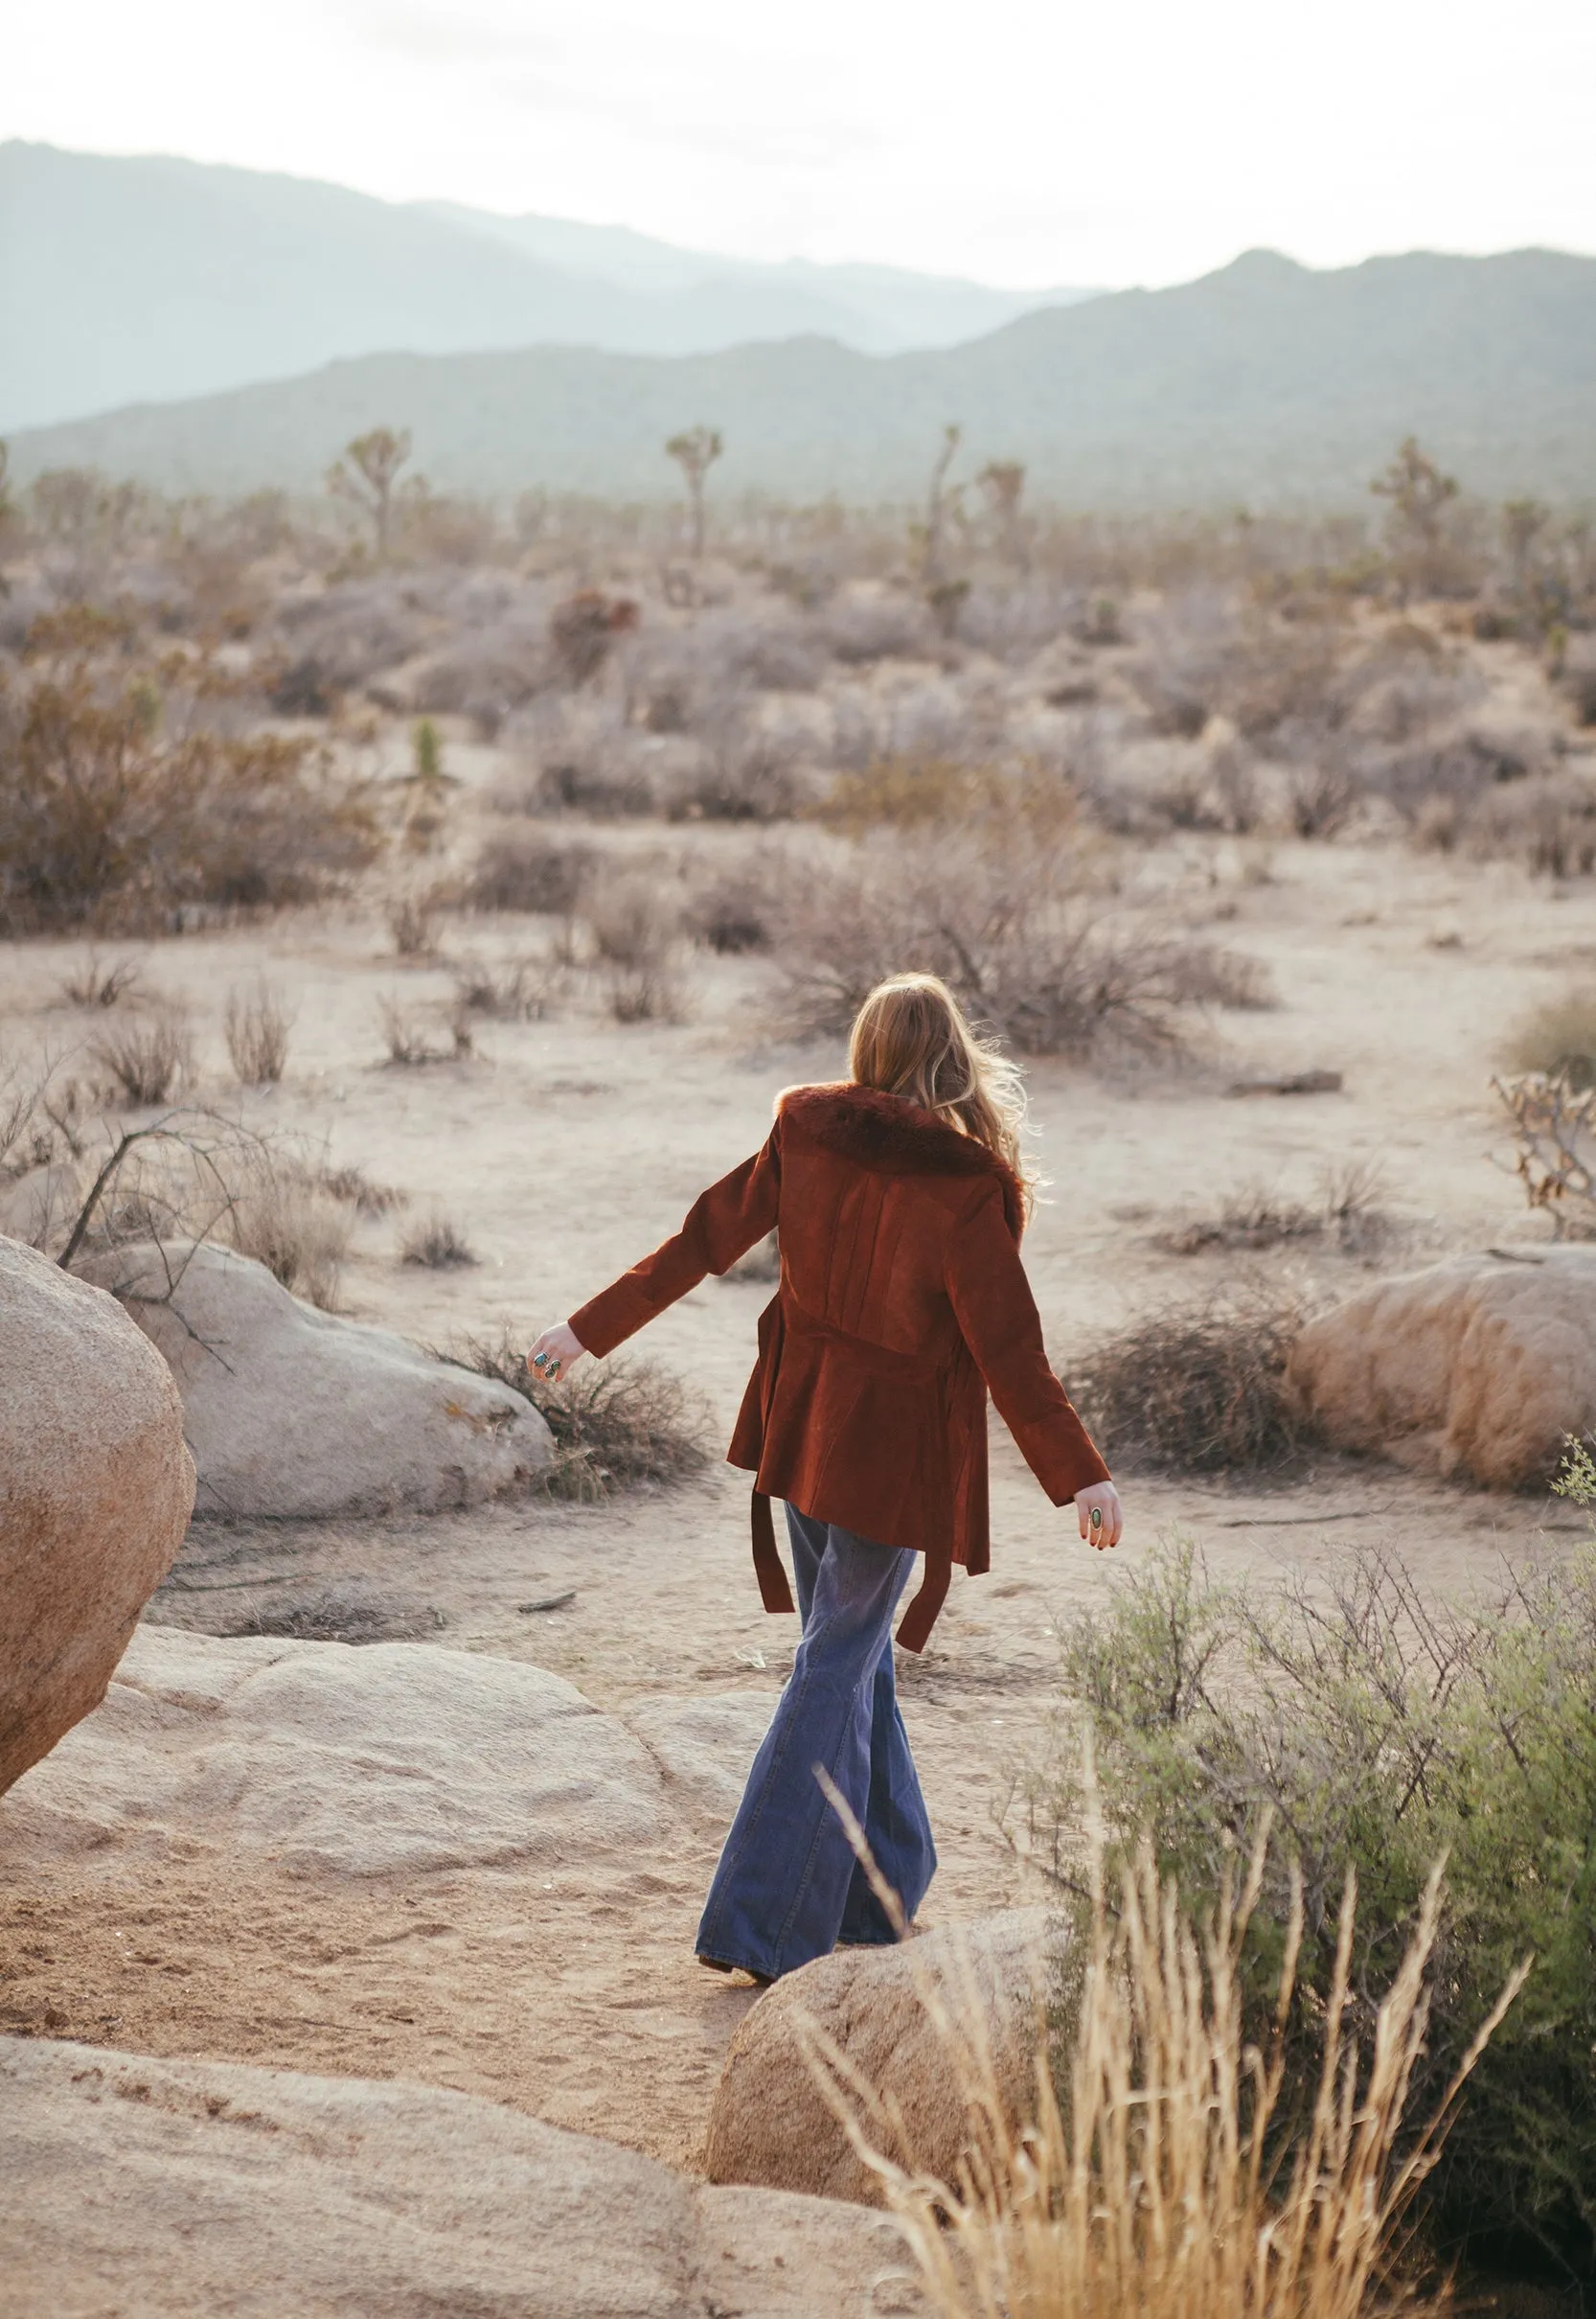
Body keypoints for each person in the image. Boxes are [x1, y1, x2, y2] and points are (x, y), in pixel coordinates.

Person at [529, 972, 1121, 1986]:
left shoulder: (805, 1130)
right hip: (887, 1461)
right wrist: (1081, 1477)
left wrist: (585, 1329)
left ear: (866, 1049)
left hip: (798, 1429)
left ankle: (883, 1879)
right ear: (949, 1057)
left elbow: (699, 1239)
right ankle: (757, 1924)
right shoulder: (965, 1184)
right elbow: (1008, 1352)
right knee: (836, 1661)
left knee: (849, 1654)